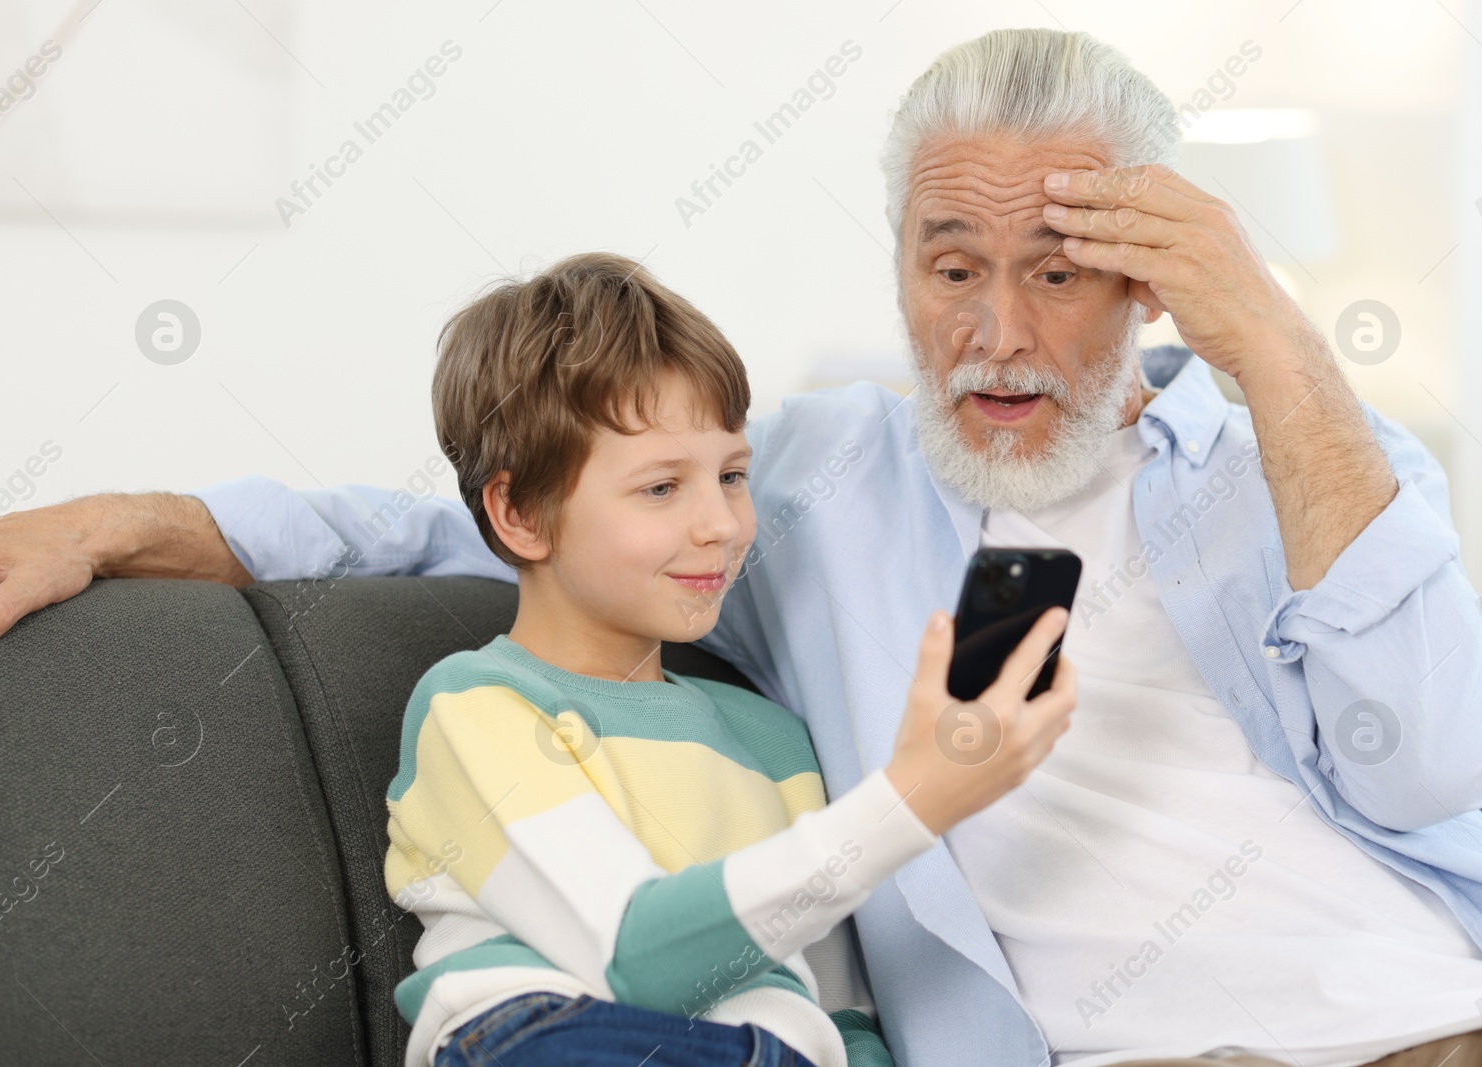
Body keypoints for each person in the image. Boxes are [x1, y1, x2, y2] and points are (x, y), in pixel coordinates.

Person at [0, 26, 1482, 1067]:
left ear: (1156, 279)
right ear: (898, 262)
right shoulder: (806, 483)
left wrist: (1280, 353)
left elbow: (1431, 767)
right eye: (951, 267)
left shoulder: (1306, 460)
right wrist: (140, 519)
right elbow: (489, 508)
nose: (995, 334)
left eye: (1061, 271)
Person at [381, 250, 1074, 1067]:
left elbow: (842, 1018)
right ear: (520, 513)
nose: (723, 523)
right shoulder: (480, 708)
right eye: (662, 488)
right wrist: (909, 801)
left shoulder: (771, 738)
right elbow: (633, 958)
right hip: (557, 1039)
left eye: (734, 474)